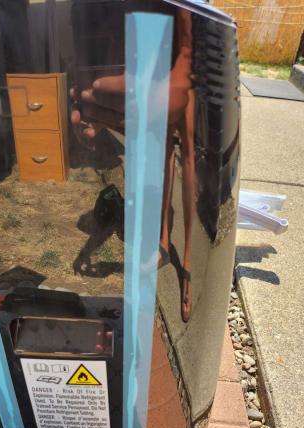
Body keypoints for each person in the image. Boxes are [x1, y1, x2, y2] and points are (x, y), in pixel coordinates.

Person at [70, 8, 196, 322]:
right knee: (162, 148)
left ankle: (188, 268)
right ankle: (163, 241)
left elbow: (189, 19)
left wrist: (183, 68)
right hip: (153, 59)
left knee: (190, 154)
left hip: (187, 58)